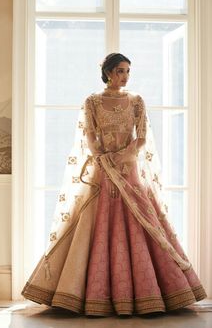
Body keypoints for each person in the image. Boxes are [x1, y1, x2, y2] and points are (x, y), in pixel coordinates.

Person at [22, 53, 206, 316]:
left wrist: (121, 158)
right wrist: (104, 159)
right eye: (120, 71)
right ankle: (86, 297)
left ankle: (149, 296)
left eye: (128, 71)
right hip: (102, 171)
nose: (125, 76)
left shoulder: (136, 101)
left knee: (143, 222)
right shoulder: (92, 101)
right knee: (93, 225)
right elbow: (90, 136)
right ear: (107, 72)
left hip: (128, 170)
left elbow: (141, 138)